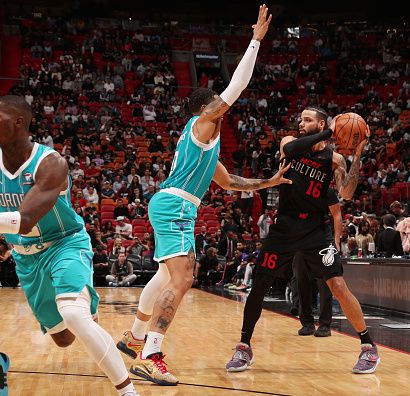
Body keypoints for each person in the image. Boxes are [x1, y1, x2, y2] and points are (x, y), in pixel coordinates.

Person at [117, 6, 287, 385]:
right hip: (176, 203)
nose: (222, 107)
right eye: (216, 102)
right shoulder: (201, 124)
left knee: (164, 277)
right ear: (203, 109)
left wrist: (268, 183)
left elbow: (229, 183)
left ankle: (134, 337)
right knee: (183, 279)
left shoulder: (205, 145)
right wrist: (256, 41)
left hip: (175, 204)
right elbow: (237, 88)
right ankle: (150, 353)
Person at [225, 106, 380, 374]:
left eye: (307, 120)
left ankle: (368, 347)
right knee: (260, 283)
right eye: (300, 119)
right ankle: (244, 347)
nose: (300, 123)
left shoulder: (335, 160)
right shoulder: (290, 143)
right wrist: (333, 130)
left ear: (319, 123)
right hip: (285, 227)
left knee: (338, 286)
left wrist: (356, 156)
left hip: (315, 231)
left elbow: (347, 192)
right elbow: (294, 150)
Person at [0, 95, 138, 395]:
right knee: (63, 338)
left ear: (19, 122)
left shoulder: (50, 163)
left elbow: (23, 220)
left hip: (64, 244)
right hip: (26, 258)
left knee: (73, 314)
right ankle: (87, 314)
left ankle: (128, 391)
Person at [292, 188, 341, 337]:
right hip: (300, 243)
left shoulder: (327, 191)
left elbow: (337, 215)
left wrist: (336, 241)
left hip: (322, 243)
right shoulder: (296, 191)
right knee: (301, 283)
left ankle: (325, 325)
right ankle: (307, 323)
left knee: (325, 285)